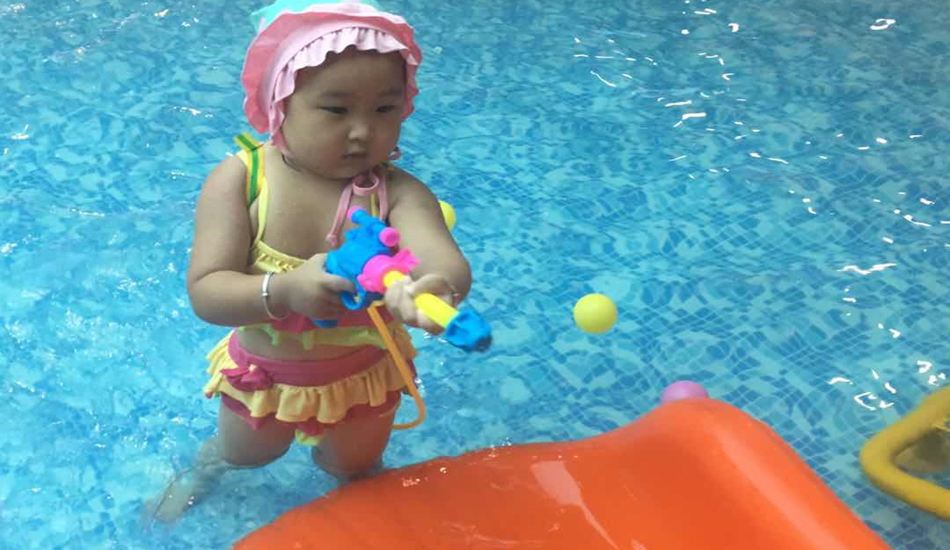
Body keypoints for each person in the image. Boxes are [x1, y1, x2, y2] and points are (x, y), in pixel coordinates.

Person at [148, 0, 471, 521]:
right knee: (245, 455)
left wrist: (432, 289)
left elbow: (443, 262)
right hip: (266, 376)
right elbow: (207, 291)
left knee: (354, 465)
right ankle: (202, 471)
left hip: (366, 375)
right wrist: (285, 290)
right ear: (280, 106)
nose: (362, 131)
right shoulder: (242, 182)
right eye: (336, 110)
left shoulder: (398, 193)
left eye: (384, 110)